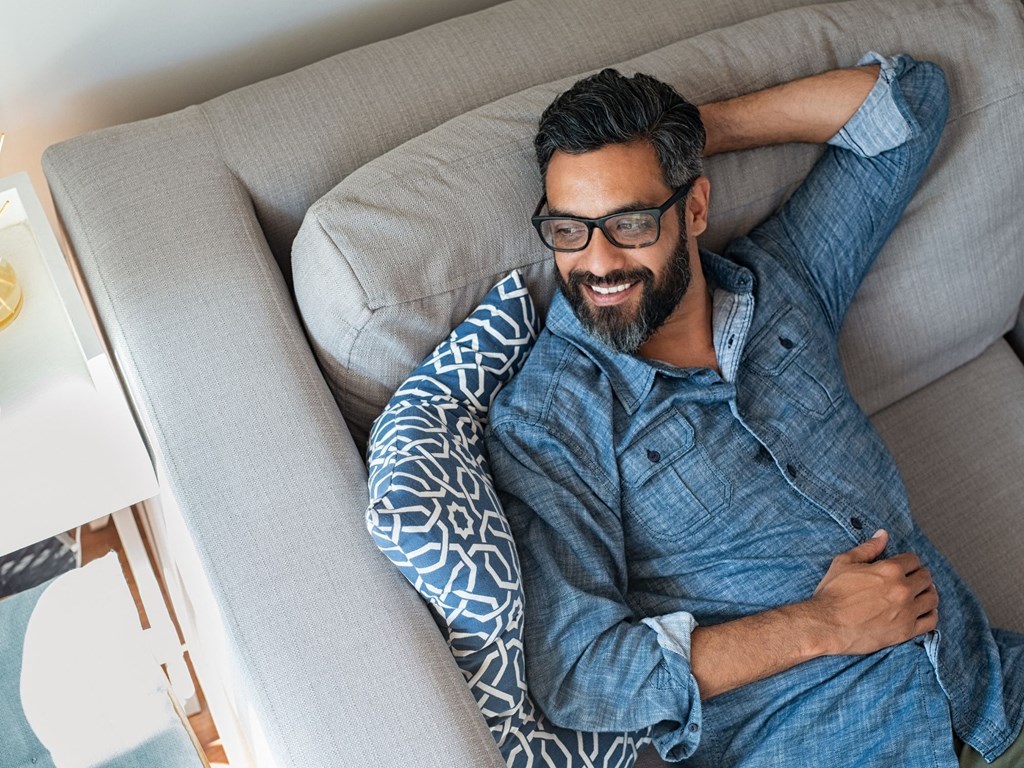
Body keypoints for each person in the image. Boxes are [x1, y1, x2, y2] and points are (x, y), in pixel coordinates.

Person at [484, 53, 1024, 767]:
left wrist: (692, 129)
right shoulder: (552, 420)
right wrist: (820, 624)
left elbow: (910, 107)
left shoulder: (784, 280)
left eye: (632, 223)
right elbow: (581, 674)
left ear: (696, 207)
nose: (597, 262)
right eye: (568, 229)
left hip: (998, 700)